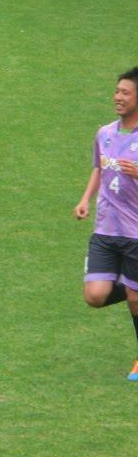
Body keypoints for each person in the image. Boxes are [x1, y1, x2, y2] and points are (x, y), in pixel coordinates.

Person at [74, 67, 138, 381]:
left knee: (135, 300)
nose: (118, 97)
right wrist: (85, 199)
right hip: (105, 231)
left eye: (125, 92)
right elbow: (99, 168)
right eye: (117, 91)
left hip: (135, 234)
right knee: (95, 296)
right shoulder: (105, 133)